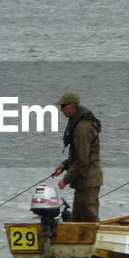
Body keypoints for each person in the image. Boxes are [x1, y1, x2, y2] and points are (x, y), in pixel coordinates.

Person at [51, 91, 102, 222]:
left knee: (89, 220)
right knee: (78, 221)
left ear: (73, 106)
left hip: (88, 180)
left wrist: (65, 180)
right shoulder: (79, 124)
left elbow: (82, 160)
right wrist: (64, 165)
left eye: (63, 106)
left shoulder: (82, 128)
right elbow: (79, 155)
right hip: (83, 181)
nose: (61, 109)